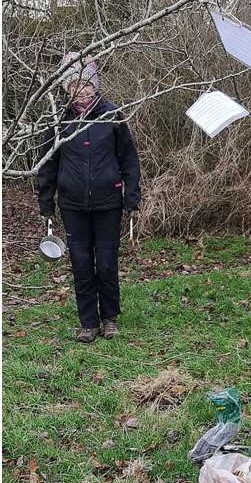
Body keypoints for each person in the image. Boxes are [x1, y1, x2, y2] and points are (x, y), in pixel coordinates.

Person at [37, 52, 141, 343]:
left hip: (109, 202)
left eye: (85, 83)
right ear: (66, 87)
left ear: (94, 84)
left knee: (106, 262)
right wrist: (46, 202)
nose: (79, 89)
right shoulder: (59, 120)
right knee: (81, 263)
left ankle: (109, 318)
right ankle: (88, 323)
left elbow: (129, 159)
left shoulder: (111, 114)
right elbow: (47, 163)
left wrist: (132, 196)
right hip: (72, 205)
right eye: (73, 84)